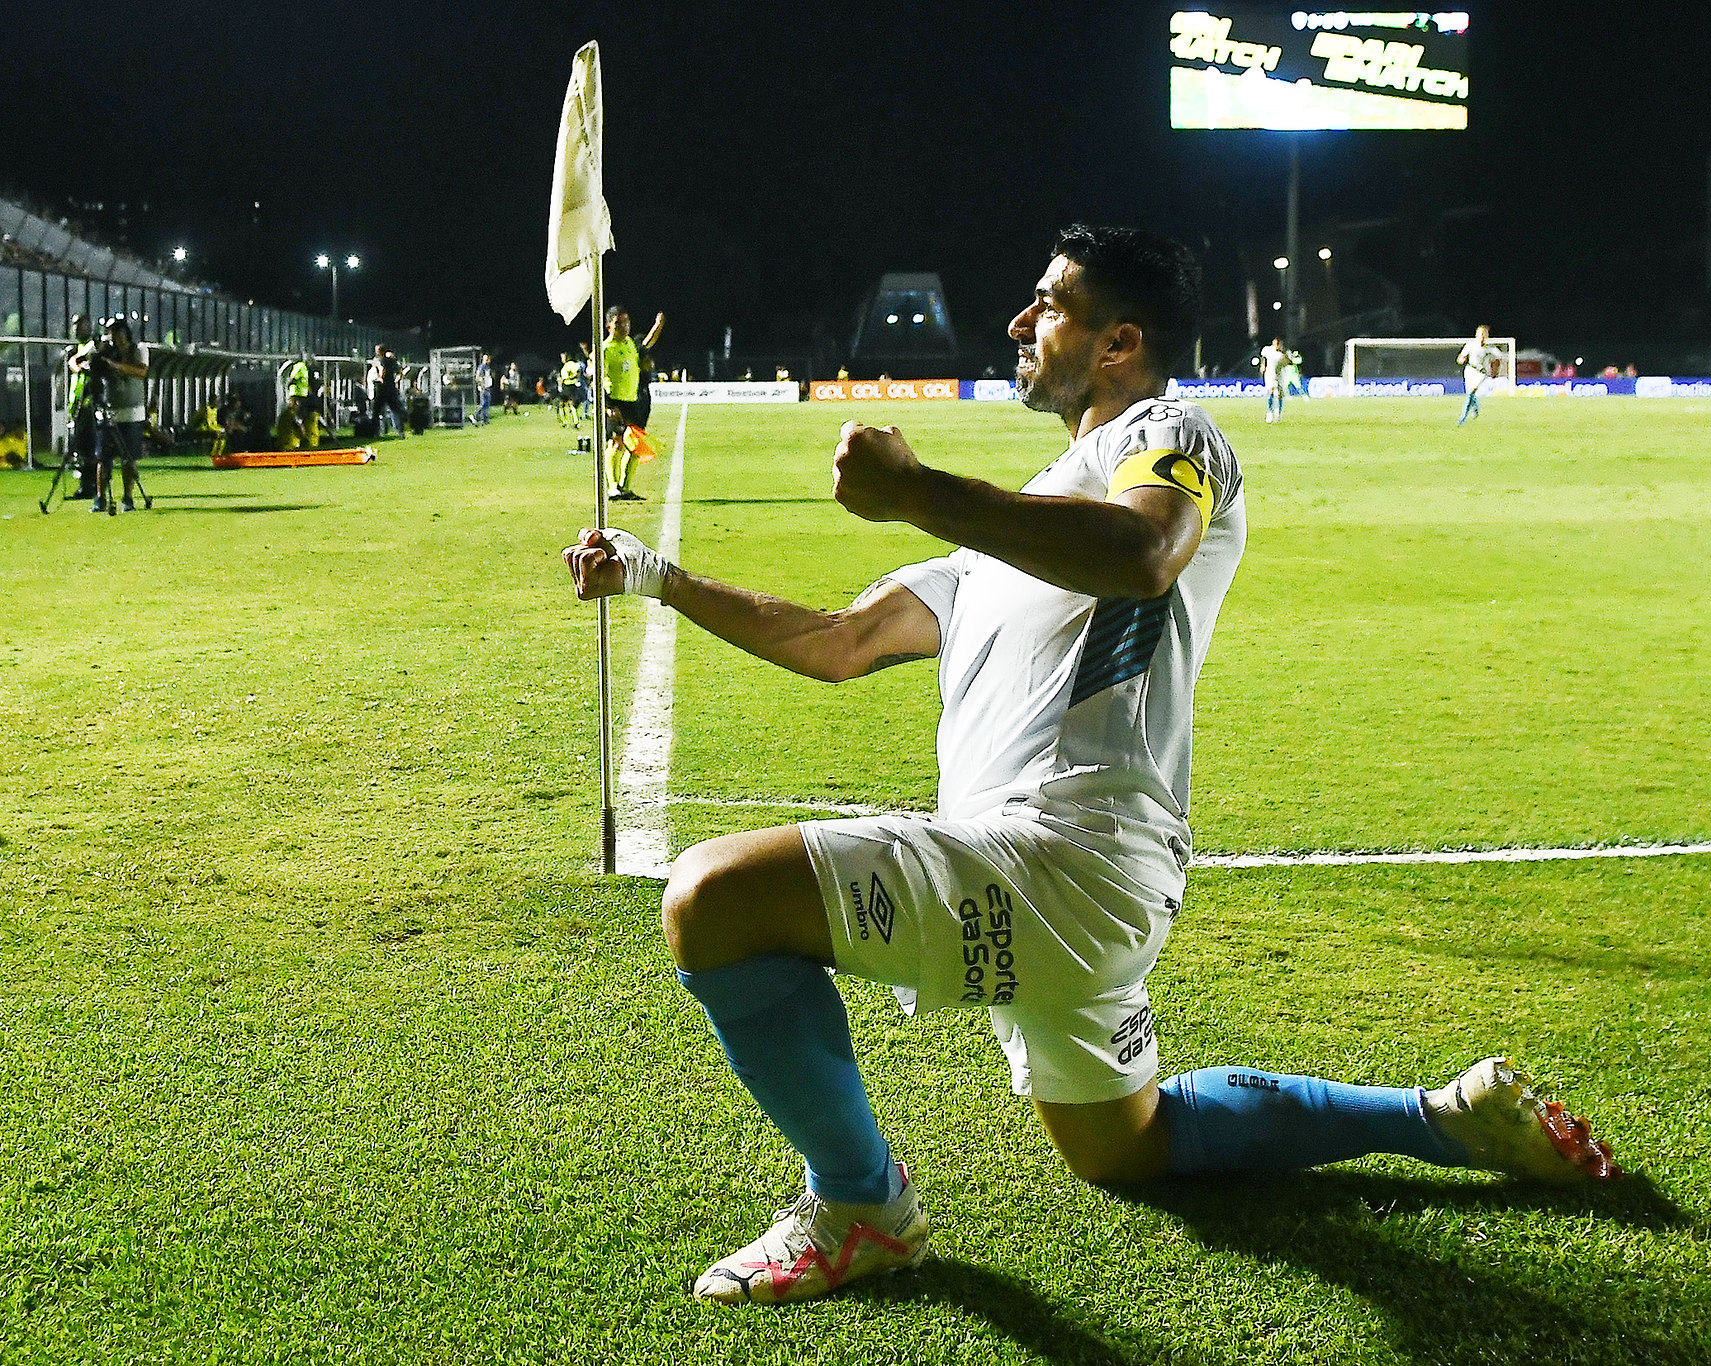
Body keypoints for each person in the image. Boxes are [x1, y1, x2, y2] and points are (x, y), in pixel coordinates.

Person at [561, 224, 1618, 1308]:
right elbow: (838, 641)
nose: (1020, 323)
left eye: (1047, 305)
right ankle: (1442, 1117)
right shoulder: (1015, 532)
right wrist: (658, 578)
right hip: (1064, 881)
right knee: (1123, 1146)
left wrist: (920, 490)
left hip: (1063, 855)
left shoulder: (1172, 433)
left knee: (714, 898)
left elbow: (1143, 554)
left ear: (1119, 341)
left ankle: (860, 1206)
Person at [599, 305, 664, 501]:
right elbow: (597, 378)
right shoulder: (605, 349)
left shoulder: (630, 345)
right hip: (615, 403)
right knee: (616, 442)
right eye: (618, 323)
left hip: (633, 403)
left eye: (626, 323)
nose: (624, 327)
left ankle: (626, 488)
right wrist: (607, 404)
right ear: (609, 325)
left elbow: (647, 344)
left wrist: (658, 326)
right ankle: (612, 488)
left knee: (634, 447)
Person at [92, 316, 149, 514]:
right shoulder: (105, 351)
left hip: (132, 413)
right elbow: (81, 363)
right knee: (103, 458)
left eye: (115, 332)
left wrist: (114, 365)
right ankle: (99, 499)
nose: (112, 337)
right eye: (109, 333)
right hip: (108, 412)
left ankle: (128, 498)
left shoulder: (139, 349)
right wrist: (98, 356)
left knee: (129, 458)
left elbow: (141, 372)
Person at [61, 315, 100, 501]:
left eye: (81, 326)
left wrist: (78, 362)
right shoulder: (76, 349)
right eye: (75, 326)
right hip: (77, 403)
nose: (77, 329)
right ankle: (86, 485)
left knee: (89, 447)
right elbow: (76, 365)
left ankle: (91, 486)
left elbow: (84, 365)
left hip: (89, 405)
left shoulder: (94, 344)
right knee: (82, 449)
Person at [1456, 325, 1496, 426]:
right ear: (1476, 334)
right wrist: (1461, 359)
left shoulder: (1490, 348)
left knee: (1471, 392)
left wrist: (1494, 370)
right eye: (1480, 333)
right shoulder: (1470, 345)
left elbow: (1500, 358)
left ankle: (1462, 418)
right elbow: (1462, 356)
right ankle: (1476, 406)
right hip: (1470, 370)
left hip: (1481, 373)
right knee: (1470, 393)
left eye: (1484, 334)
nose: (1482, 336)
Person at [1258, 336, 1288, 423]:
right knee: (1270, 391)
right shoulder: (1268, 350)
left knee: (1279, 394)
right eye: (1276, 343)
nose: (1277, 345)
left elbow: (1288, 362)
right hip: (1269, 374)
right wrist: (1262, 365)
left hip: (1279, 375)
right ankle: (1269, 412)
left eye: (1278, 344)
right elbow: (1263, 358)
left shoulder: (1281, 355)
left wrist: (1285, 357)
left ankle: (1278, 413)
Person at [473, 353, 494, 425]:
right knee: (483, 403)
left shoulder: (488, 367)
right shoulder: (481, 367)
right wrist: (482, 386)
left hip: (488, 387)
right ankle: (475, 415)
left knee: (487, 404)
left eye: (487, 359)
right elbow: (477, 377)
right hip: (483, 387)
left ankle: (485, 419)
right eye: (485, 359)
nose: (486, 361)